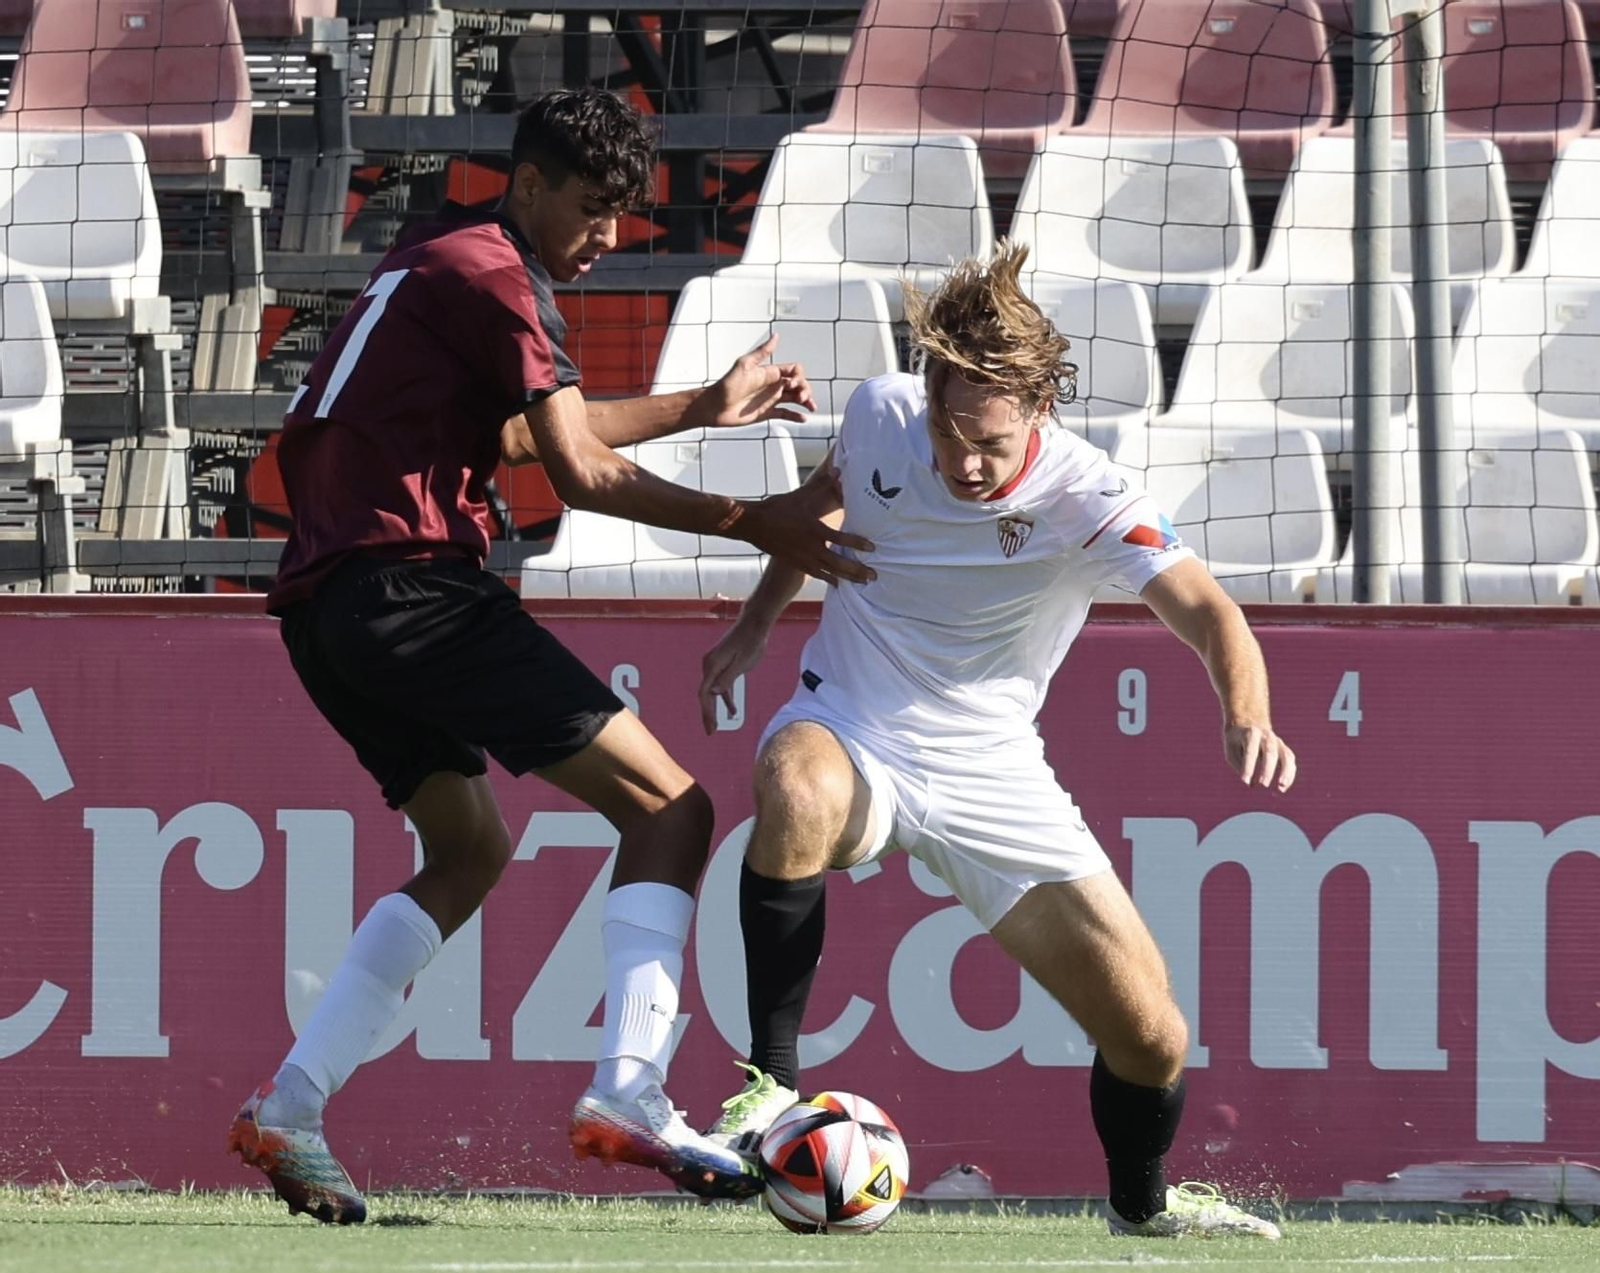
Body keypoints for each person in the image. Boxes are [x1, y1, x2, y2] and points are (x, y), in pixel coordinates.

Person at [227, 88, 872, 1225]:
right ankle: (629, 1088)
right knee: (671, 812)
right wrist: (759, 519)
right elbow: (579, 476)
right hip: (413, 585)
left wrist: (700, 405)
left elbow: (525, 436)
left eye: (624, 212)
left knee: (466, 848)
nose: (609, 236)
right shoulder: (497, 272)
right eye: (591, 208)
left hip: (326, 609)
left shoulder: (439, 251)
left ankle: (290, 1104)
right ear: (528, 185)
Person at [696, 241, 1295, 1239]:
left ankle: (1140, 1210)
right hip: (854, 722)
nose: (969, 463)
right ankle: (770, 1087)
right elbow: (819, 512)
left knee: (1150, 1035)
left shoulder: (1084, 492)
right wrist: (757, 623)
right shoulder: (882, 414)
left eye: (993, 443)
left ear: (1039, 414)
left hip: (992, 771)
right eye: (954, 436)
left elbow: (1207, 610)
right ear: (925, 400)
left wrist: (1246, 710)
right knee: (792, 787)